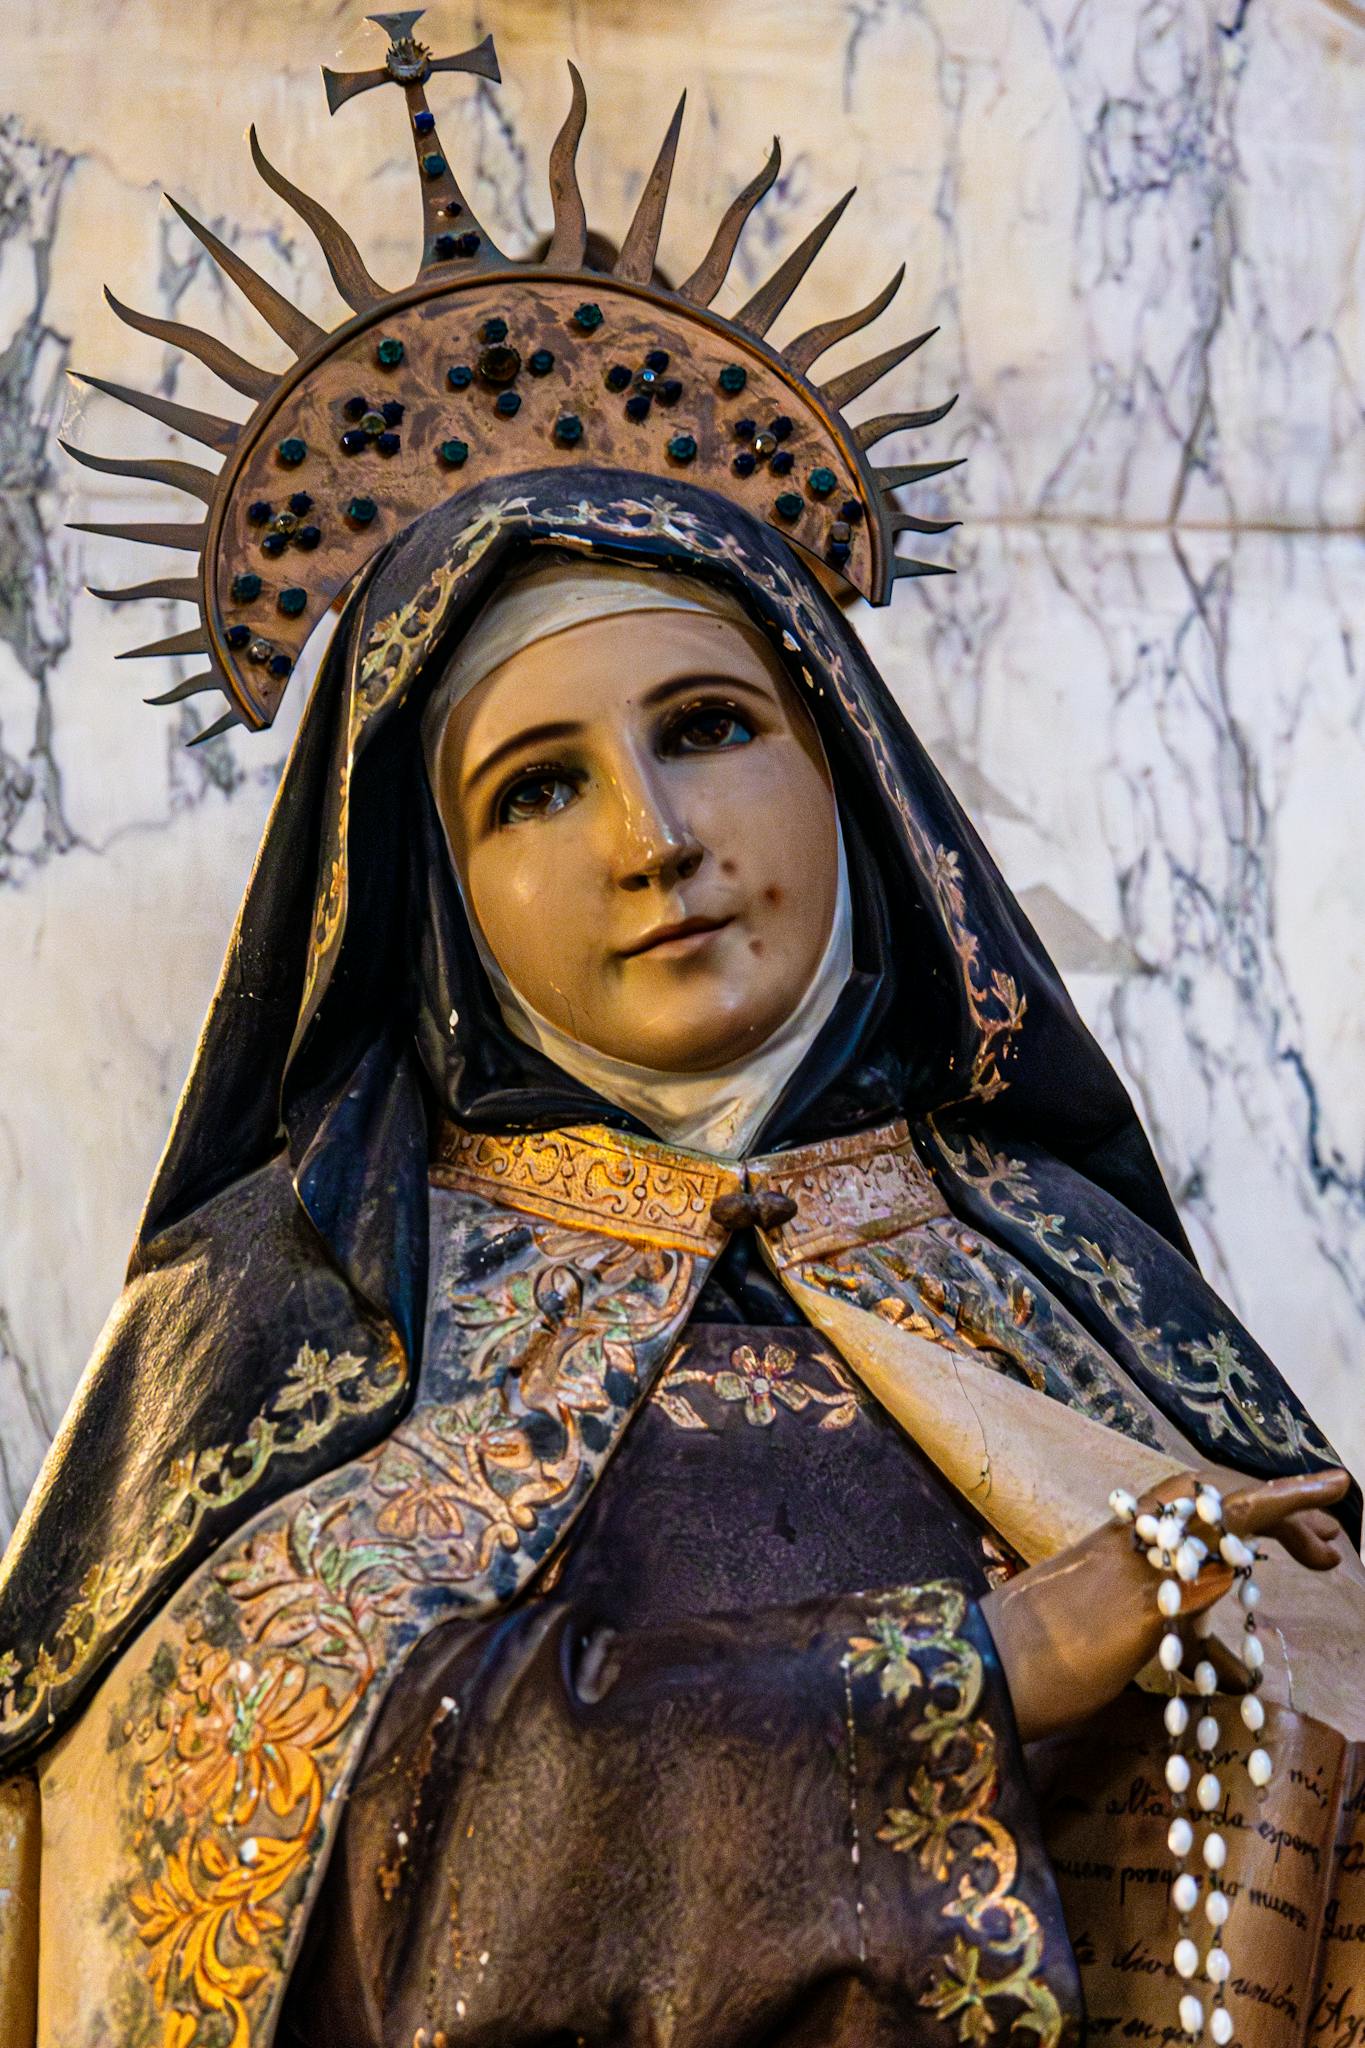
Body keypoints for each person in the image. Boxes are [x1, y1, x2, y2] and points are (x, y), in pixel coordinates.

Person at [4, 20, 1361, 2047]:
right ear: (436, 892)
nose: (655, 840)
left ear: (845, 777)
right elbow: (226, 1859)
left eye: (711, 730)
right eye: (534, 787)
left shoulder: (1069, 1282)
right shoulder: (289, 1327)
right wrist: (968, 1673)